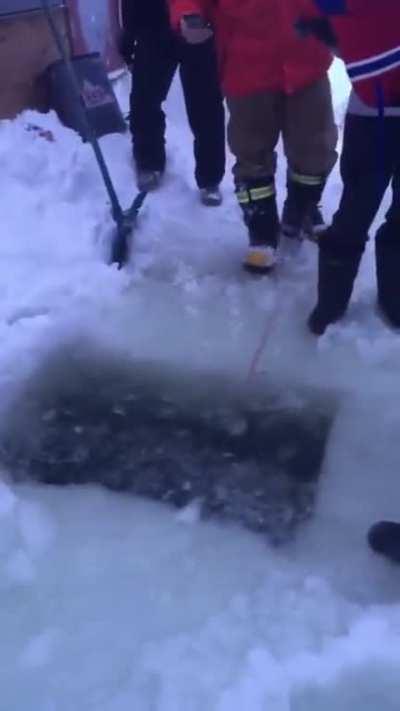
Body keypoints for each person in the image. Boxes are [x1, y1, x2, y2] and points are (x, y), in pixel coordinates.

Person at [168, 0, 338, 274]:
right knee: (251, 153)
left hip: (308, 61)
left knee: (316, 148)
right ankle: (261, 232)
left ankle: (302, 208)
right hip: (246, 67)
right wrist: (188, 14)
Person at [296, 0, 400, 334]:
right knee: (354, 214)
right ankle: (331, 304)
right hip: (372, 117)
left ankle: (395, 301)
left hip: (375, 108)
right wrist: (327, 33)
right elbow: (309, 10)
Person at [118, 0, 226, 205]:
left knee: (206, 105)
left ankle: (210, 178)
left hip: (198, 23)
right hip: (154, 25)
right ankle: (149, 162)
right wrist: (129, 33)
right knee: (145, 99)